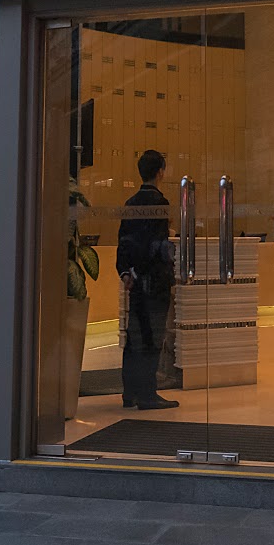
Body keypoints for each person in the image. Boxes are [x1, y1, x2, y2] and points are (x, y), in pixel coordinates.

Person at [115, 149, 178, 410]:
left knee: (134, 336)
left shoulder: (131, 203)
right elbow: (157, 246)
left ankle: (129, 392)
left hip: (136, 280)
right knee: (152, 336)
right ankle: (148, 394)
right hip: (154, 280)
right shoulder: (160, 204)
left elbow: (124, 242)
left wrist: (126, 272)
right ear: (160, 172)